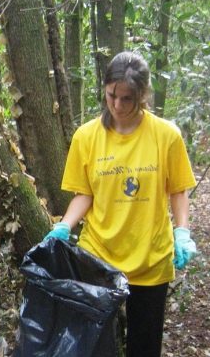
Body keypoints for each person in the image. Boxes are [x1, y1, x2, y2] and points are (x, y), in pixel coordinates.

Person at [44, 51, 197, 357]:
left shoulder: (166, 136)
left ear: (142, 96)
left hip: (150, 258)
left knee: (144, 344)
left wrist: (183, 232)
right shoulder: (86, 137)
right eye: (112, 95)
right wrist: (64, 224)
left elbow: (178, 189)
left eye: (126, 98)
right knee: (95, 343)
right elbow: (84, 193)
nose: (116, 105)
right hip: (99, 257)